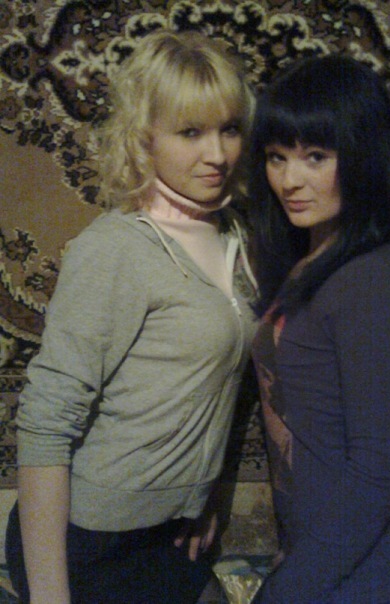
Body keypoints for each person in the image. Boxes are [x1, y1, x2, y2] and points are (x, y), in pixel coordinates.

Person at [6, 30, 257, 604]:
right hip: (87, 537)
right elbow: (46, 423)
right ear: (145, 137)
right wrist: (50, 597)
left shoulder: (237, 235)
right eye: (190, 132)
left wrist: (202, 496)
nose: (218, 154)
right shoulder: (116, 248)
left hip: (170, 531)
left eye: (229, 128)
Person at [249, 54, 390, 603]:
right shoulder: (312, 259)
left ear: (363, 156)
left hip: (386, 575)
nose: (289, 180)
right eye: (276, 157)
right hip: (334, 560)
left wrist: (289, 589)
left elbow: (379, 472)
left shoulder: (371, 280)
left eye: (315, 156)